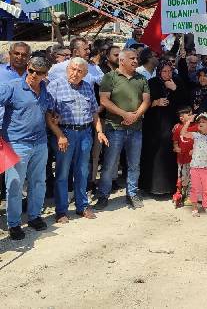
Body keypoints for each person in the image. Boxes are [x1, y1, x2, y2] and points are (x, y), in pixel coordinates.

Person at [47, 58, 108, 223]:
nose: (75, 73)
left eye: (80, 71)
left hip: (85, 134)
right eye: (73, 69)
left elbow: (94, 113)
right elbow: (49, 115)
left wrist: (99, 131)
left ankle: (82, 206)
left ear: (85, 73)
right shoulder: (56, 85)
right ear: (67, 69)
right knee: (62, 173)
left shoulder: (88, 87)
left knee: (82, 172)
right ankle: (61, 211)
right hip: (65, 134)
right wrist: (59, 135)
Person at [0, 56, 54, 240]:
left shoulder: (45, 88)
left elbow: (48, 108)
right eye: (31, 70)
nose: (32, 75)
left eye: (38, 73)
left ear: (45, 75)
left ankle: (34, 216)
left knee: (38, 182)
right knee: (14, 186)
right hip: (16, 144)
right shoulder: (12, 87)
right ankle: (14, 224)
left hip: (39, 143)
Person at [95, 48, 151, 210]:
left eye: (136, 58)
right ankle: (103, 195)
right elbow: (104, 101)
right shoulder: (110, 77)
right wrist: (125, 114)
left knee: (134, 164)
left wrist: (135, 115)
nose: (135, 61)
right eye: (132, 58)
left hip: (136, 128)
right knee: (109, 164)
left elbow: (146, 100)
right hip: (114, 128)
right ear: (122, 60)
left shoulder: (141, 78)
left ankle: (132, 194)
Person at [141, 61, 187, 195]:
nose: (167, 74)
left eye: (170, 71)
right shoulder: (152, 83)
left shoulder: (177, 82)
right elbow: (143, 102)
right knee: (153, 155)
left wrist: (174, 89)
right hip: (154, 126)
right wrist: (156, 102)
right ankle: (151, 187)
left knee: (168, 155)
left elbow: (184, 102)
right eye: (164, 71)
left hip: (170, 125)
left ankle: (168, 187)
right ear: (159, 72)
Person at [172, 107, 195, 207]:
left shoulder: (196, 127)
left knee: (192, 177)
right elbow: (175, 141)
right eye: (189, 115)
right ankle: (180, 193)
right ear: (182, 118)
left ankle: (189, 196)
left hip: (193, 160)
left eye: (191, 114)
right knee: (182, 177)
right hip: (181, 159)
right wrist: (176, 147)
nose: (191, 116)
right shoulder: (177, 128)